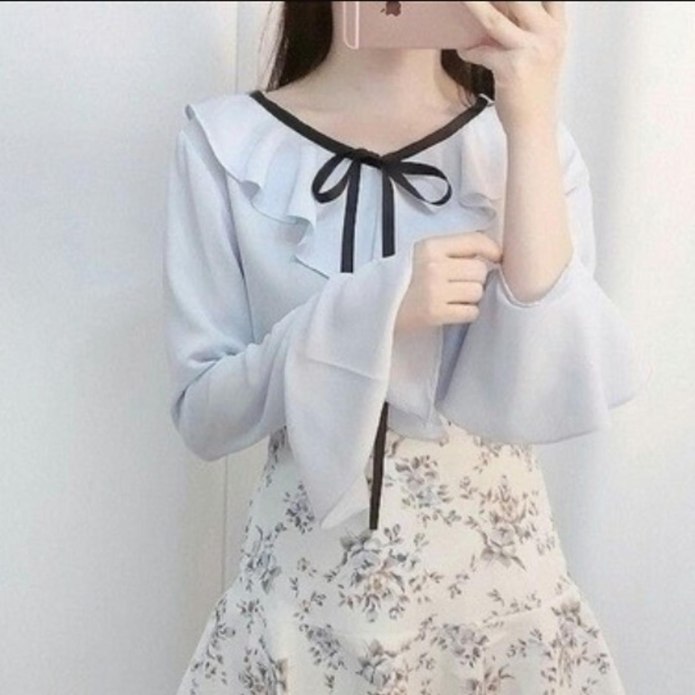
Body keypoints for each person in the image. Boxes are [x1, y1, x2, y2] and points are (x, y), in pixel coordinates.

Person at [163, 2, 649, 692]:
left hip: (500, 624)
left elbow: (554, 386)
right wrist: (374, 310)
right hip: (306, 618)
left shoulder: (524, 142)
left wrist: (529, 115)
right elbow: (205, 415)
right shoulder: (226, 143)